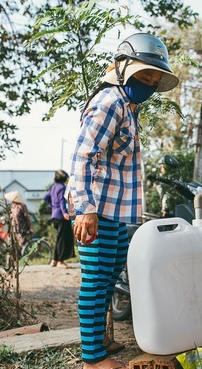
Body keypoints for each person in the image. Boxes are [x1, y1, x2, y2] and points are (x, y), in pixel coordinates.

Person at [66, 33, 179, 369]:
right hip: (97, 209)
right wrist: (85, 209)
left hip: (116, 210)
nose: (149, 83)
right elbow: (83, 157)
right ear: (122, 68)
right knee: (95, 280)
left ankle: (99, 340)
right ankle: (92, 361)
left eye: (154, 79)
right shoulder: (110, 104)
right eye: (144, 76)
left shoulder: (129, 109)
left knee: (110, 276)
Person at [43, 169, 75, 268]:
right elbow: (62, 201)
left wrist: (53, 207)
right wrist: (64, 212)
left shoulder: (53, 187)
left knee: (58, 238)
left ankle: (54, 260)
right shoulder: (62, 187)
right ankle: (60, 261)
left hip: (54, 215)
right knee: (63, 239)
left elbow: (46, 197)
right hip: (62, 216)